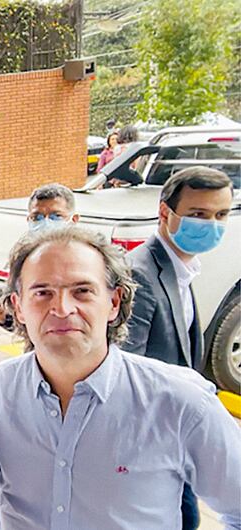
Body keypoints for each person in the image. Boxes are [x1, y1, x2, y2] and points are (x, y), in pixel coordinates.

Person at [0, 226, 241, 529]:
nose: (62, 308)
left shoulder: (181, 402)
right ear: (18, 307)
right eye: (42, 292)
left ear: (114, 302)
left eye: (82, 291)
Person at [124, 166, 234, 530]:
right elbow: (127, 369)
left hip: (177, 436)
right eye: (198, 214)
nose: (211, 225)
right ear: (164, 212)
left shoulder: (181, 268)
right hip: (153, 440)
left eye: (221, 215)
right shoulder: (141, 273)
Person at [0, 183, 80, 331]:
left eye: (56, 216)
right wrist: (5, 318)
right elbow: (23, 321)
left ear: (74, 220)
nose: (46, 222)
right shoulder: (23, 262)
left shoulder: (90, 261)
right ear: (29, 220)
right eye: (37, 217)